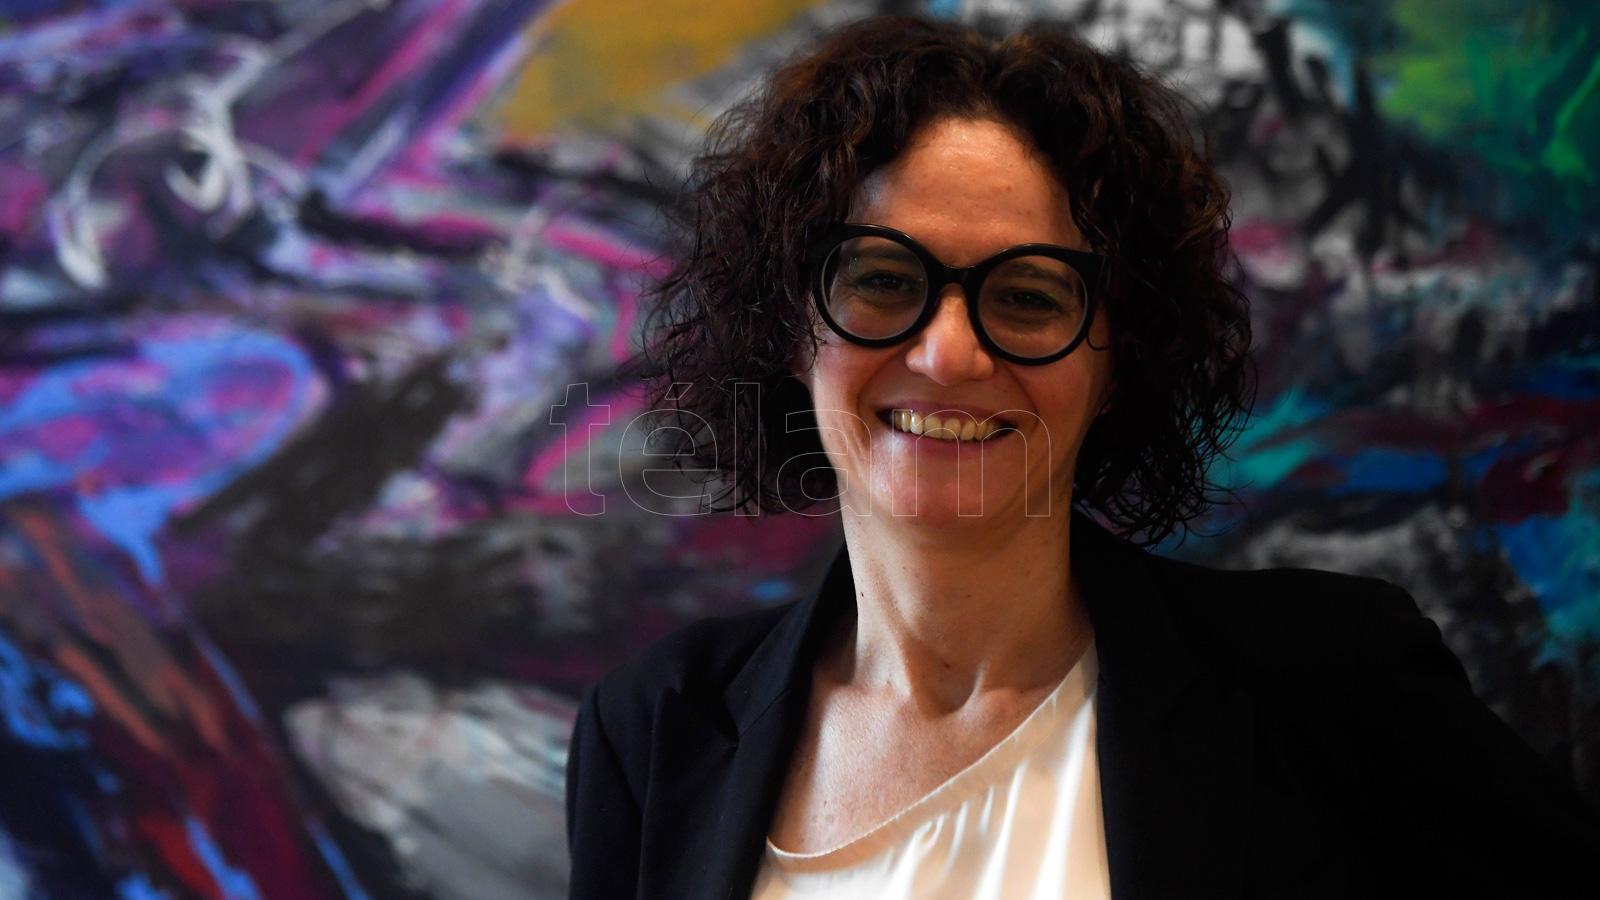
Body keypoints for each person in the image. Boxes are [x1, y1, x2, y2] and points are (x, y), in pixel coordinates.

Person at [564, 14, 1600, 900]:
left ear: (1117, 364)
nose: (948, 354)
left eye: (1028, 296)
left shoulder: (1329, 687)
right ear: (788, 329)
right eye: (880, 279)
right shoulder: (653, 728)